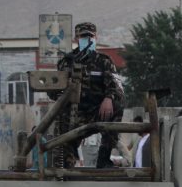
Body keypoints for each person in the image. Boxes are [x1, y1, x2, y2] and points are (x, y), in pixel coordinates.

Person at [50, 22, 125, 168]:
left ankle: (104, 158)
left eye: (90, 36)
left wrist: (108, 98)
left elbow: (117, 87)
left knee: (117, 105)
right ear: (76, 38)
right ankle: (66, 164)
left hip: (97, 111)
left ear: (96, 37)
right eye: (83, 36)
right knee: (61, 146)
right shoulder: (66, 63)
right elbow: (54, 92)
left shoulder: (104, 61)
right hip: (73, 114)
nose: (88, 39)